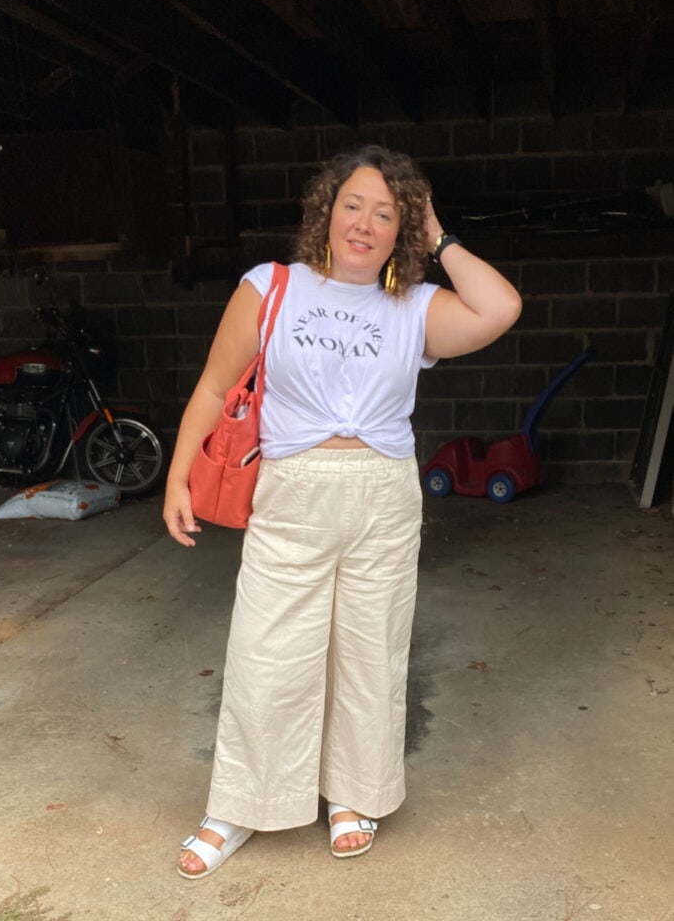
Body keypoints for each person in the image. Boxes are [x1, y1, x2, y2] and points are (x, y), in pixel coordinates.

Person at [162, 144, 522, 879]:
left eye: (386, 213)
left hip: (383, 495)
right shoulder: (272, 287)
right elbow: (210, 387)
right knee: (267, 651)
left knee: (369, 653)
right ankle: (236, 806)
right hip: (292, 490)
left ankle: (352, 795)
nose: (365, 222)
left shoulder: (415, 306)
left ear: (403, 231)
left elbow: (500, 307)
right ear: (325, 211)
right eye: (353, 205)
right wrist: (177, 479)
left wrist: (442, 239)